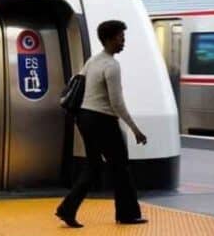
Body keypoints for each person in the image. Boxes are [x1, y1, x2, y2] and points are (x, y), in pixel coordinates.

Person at [56, 20, 149, 228]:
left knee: (94, 165)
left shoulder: (92, 61)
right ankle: (128, 214)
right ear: (108, 39)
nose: (123, 41)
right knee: (121, 167)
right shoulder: (111, 65)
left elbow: (78, 84)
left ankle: (67, 209)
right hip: (103, 120)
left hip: (85, 118)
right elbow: (117, 103)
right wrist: (135, 129)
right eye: (120, 37)